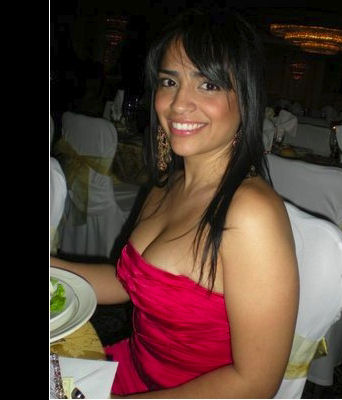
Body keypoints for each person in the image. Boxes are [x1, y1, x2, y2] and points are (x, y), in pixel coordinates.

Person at [51, 8, 299, 398]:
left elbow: (255, 384)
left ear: (246, 99)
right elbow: (131, 282)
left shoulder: (251, 215)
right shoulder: (167, 184)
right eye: (169, 81)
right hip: (124, 372)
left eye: (208, 85)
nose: (179, 103)